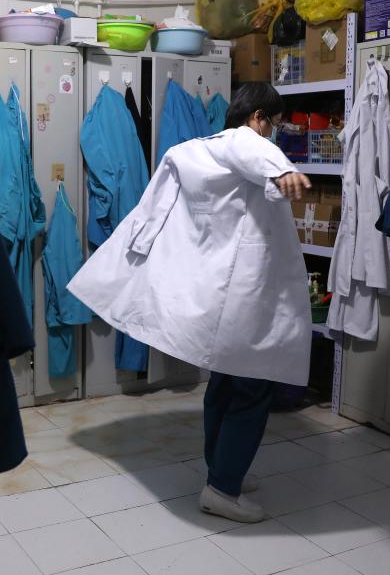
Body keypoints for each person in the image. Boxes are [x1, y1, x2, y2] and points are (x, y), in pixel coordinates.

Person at [67, 83, 313, 523]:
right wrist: (282, 170)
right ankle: (223, 489)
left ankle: (223, 470)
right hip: (246, 294)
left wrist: (137, 249)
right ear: (258, 117)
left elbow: (152, 210)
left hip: (220, 289)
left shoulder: (192, 151)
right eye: (274, 123)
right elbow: (251, 148)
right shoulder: (242, 143)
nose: (273, 132)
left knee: (225, 383)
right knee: (253, 386)